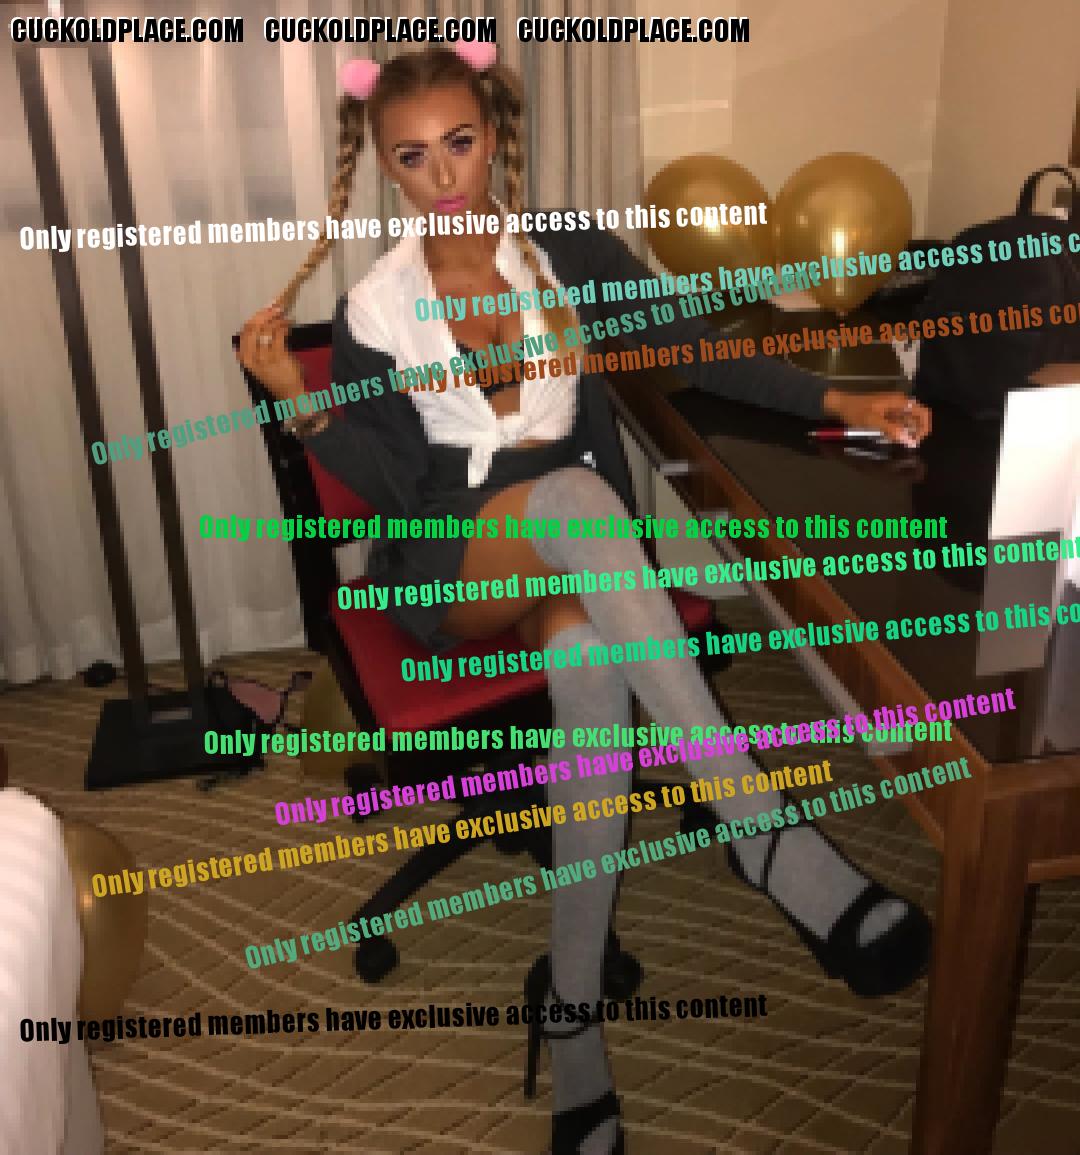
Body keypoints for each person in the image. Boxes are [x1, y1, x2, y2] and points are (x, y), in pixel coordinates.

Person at [237, 43, 933, 1155]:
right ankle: (761, 830)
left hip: (577, 553)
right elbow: (395, 488)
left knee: (586, 664)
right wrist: (300, 404)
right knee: (568, 497)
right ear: (383, 167)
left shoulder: (567, 253)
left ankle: (572, 1019)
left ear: (493, 136)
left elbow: (693, 346)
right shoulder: (376, 311)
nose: (443, 176)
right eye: (412, 157)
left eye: (459, 143)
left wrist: (837, 397)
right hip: (452, 557)